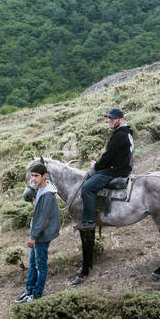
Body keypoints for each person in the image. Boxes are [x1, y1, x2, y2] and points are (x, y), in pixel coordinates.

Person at [73, 108, 134, 284]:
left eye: (112, 119)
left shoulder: (119, 135)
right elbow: (111, 154)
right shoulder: (125, 133)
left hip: (116, 169)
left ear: (120, 120)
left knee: (87, 187)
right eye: (109, 118)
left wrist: (96, 165)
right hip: (120, 166)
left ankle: (89, 221)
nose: (110, 121)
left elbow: (108, 156)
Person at [18, 161, 61, 303]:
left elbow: (44, 220)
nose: (33, 179)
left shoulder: (48, 194)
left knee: (40, 266)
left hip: (41, 236)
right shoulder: (41, 190)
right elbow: (39, 212)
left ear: (45, 176)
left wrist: (33, 237)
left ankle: (36, 294)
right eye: (32, 176)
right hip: (37, 234)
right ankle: (28, 291)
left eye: (36, 176)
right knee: (32, 263)